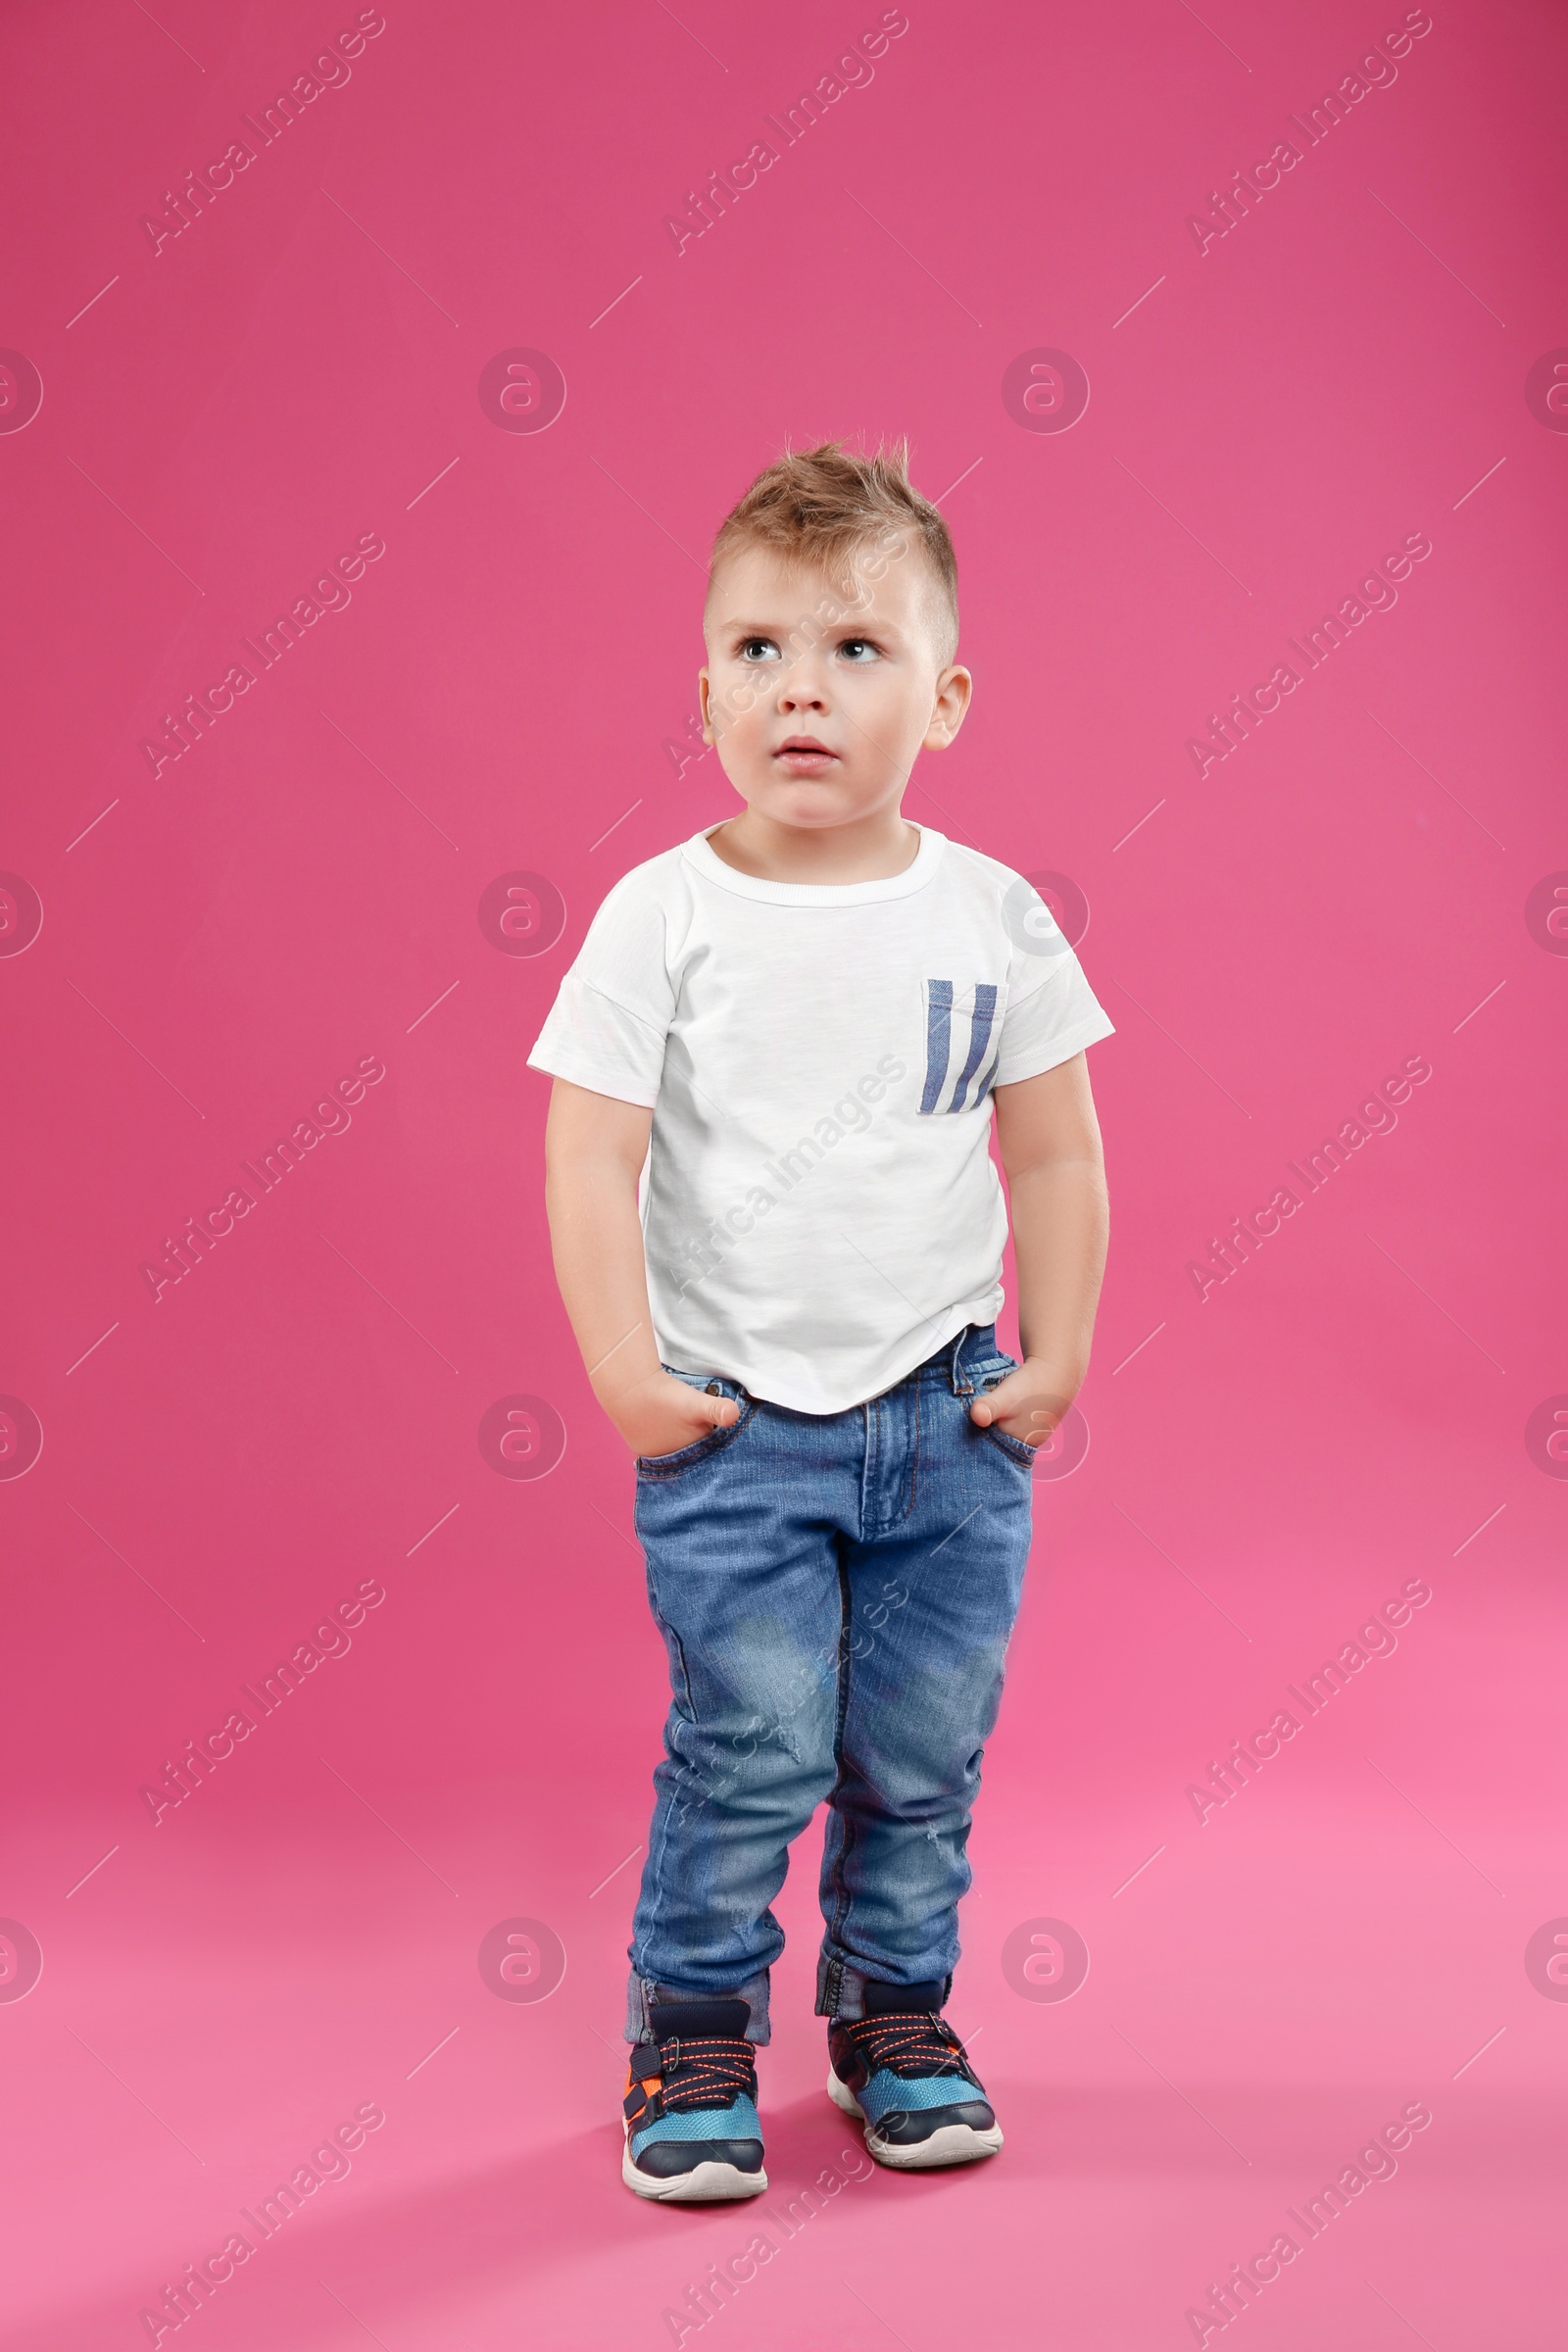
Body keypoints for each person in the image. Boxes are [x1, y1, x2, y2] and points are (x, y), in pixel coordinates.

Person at [528, 440, 1113, 2201]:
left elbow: (1057, 1149)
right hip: (739, 1427)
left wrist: (1060, 1353)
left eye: (855, 653)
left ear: (940, 699)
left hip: (945, 1415)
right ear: (703, 687)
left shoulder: (991, 914)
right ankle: (696, 2025)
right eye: (764, 650)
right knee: (755, 1737)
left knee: (923, 1745)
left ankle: (895, 2011)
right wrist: (623, 1369)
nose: (804, 689)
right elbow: (590, 1144)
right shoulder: (666, 914)